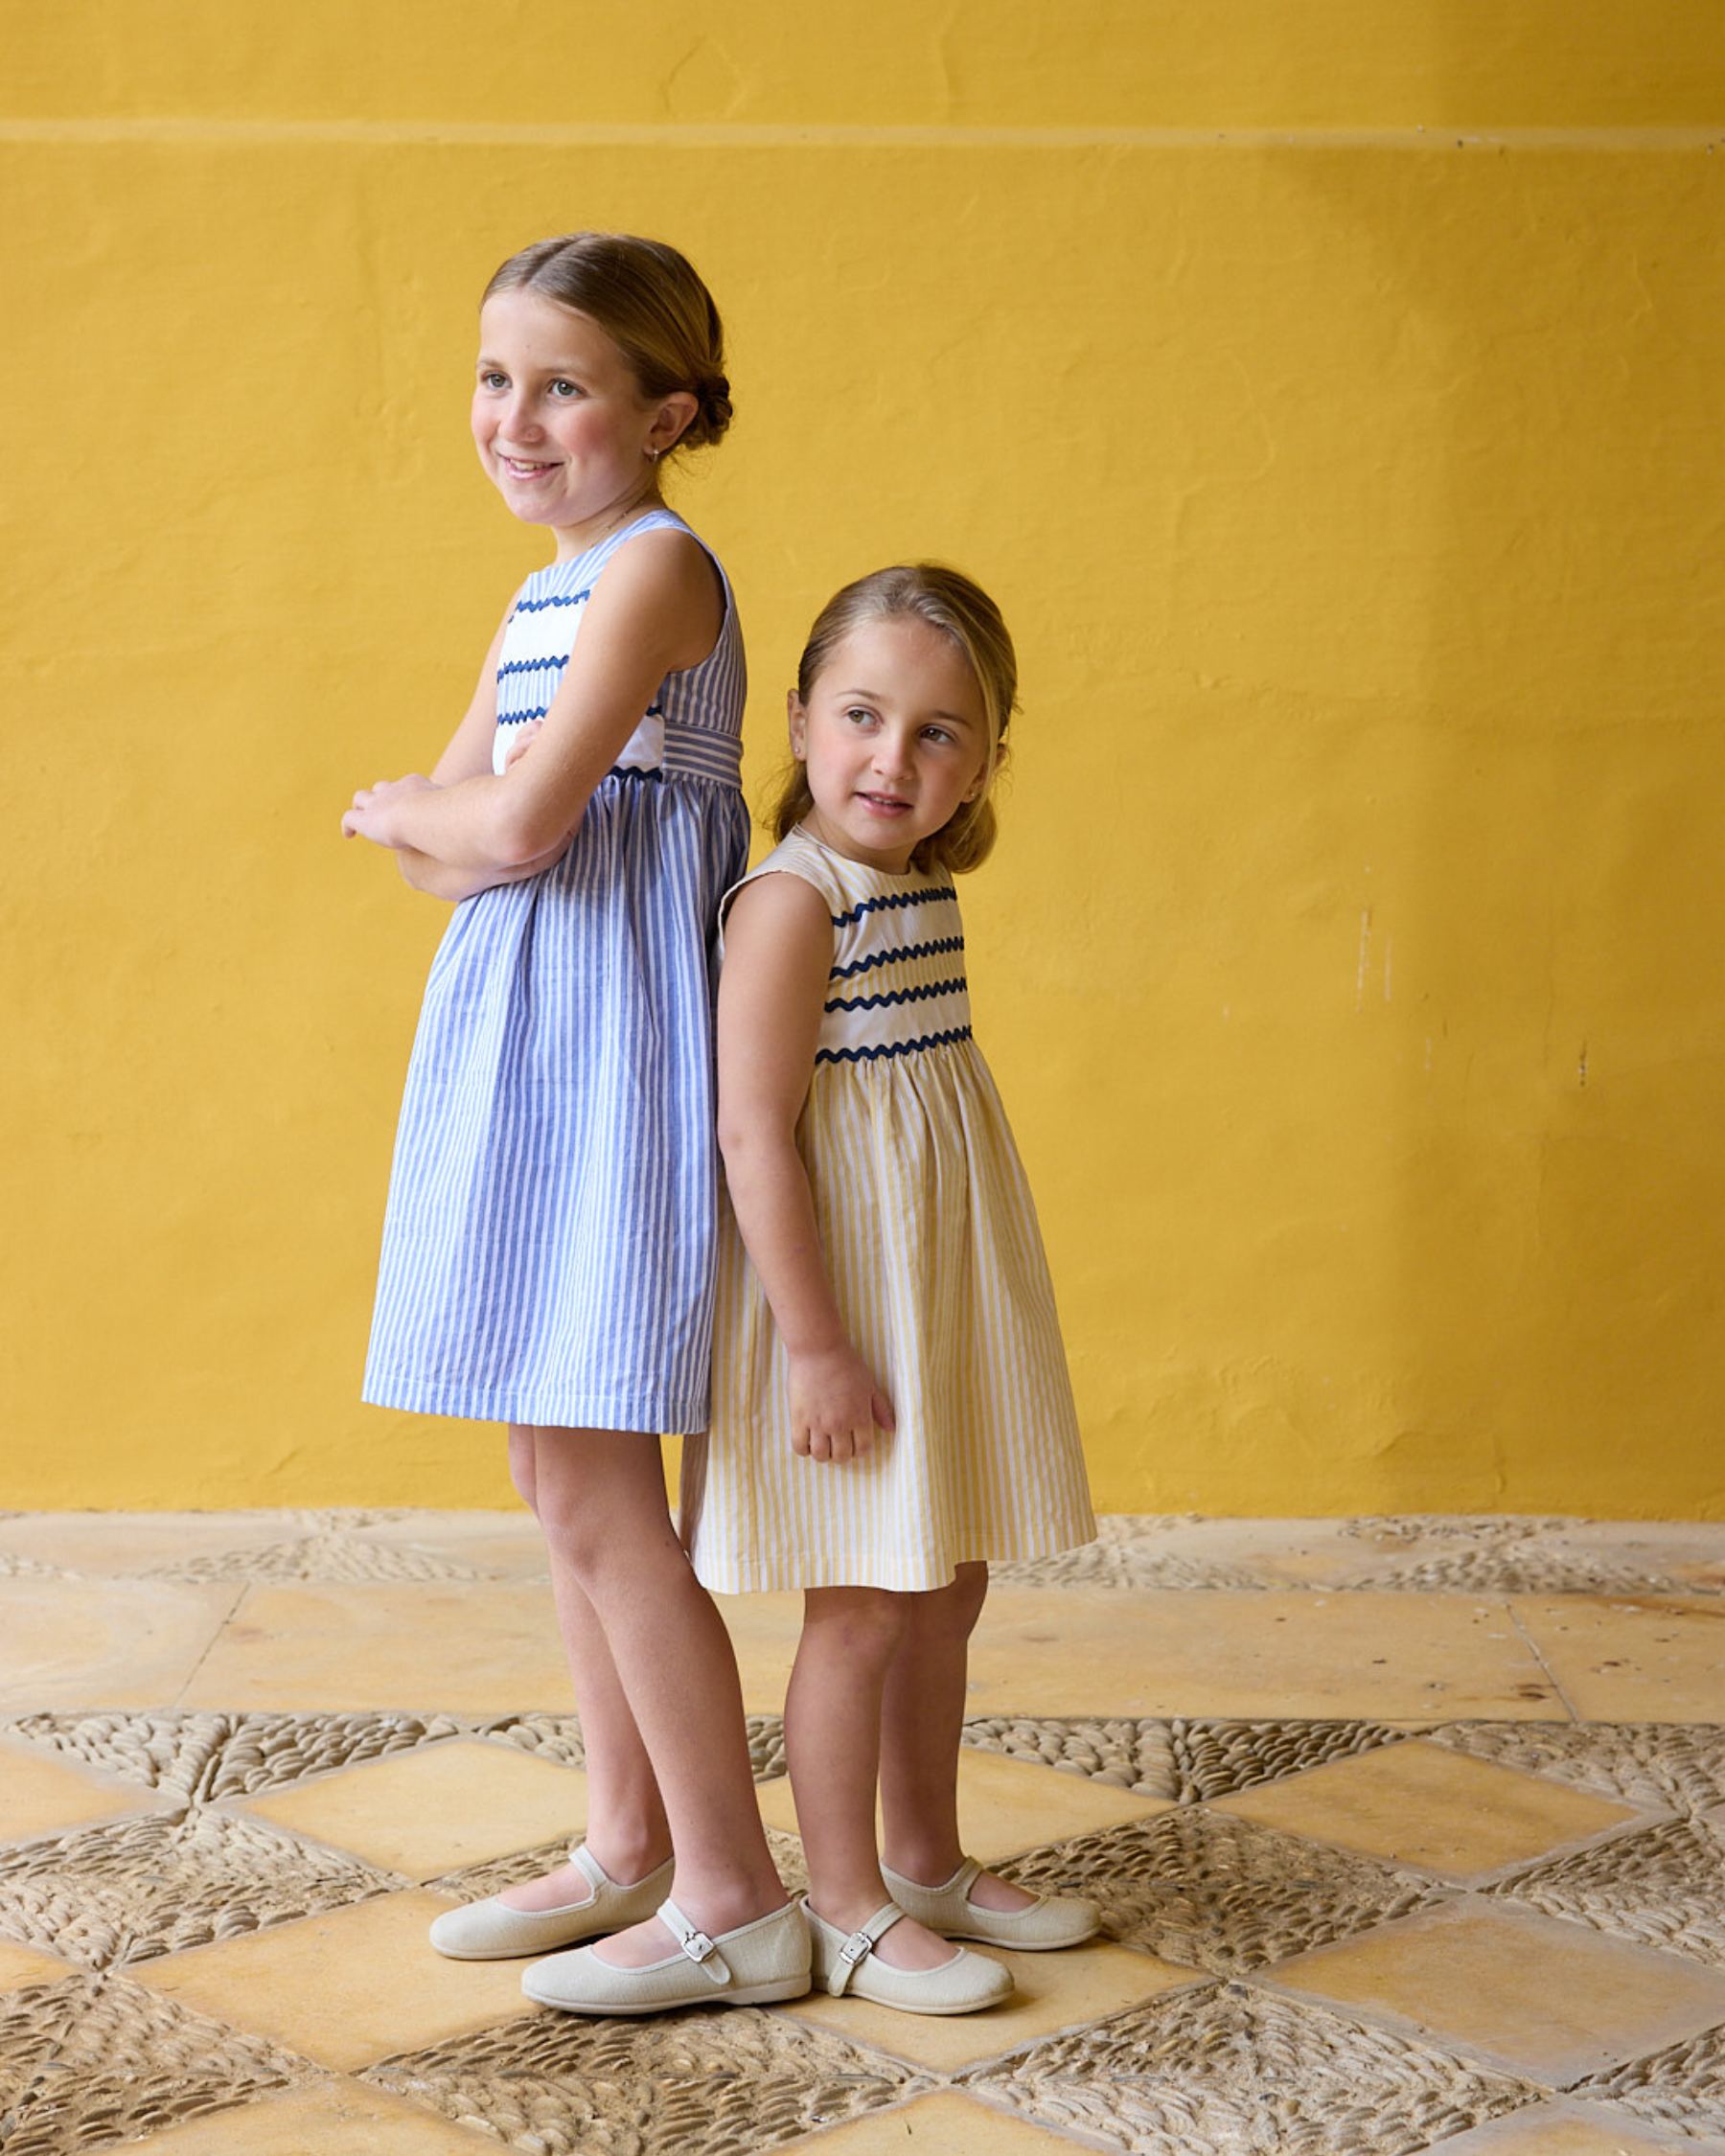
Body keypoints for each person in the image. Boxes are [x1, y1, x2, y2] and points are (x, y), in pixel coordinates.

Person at [341, 232, 808, 2017]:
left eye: (563, 385)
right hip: (528, 1052)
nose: (513, 417)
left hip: (614, 1067)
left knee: (613, 1493)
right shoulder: (552, 592)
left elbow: (501, 829)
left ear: (664, 412)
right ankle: (625, 1839)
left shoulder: (654, 572)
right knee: (557, 1477)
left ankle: (733, 1892)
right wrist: (444, 819)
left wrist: (417, 809)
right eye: (493, 377)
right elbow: (451, 845)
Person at [679, 564, 1099, 2016]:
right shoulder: (793, 903)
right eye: (862, 715)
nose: (892, 759)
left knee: (948, 1578)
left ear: (983, 758)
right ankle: (845, 1900)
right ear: (798, 720)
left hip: (933, 1286)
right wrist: (814, 1345)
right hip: (845, 1304)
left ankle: (925, 1857)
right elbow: (751, 1131)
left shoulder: (913, 885)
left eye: (939, 732)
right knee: (860, 1605)